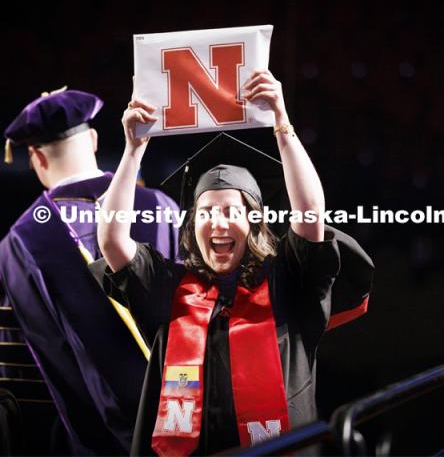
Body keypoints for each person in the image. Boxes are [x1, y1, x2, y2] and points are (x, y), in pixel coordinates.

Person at [93, 70, 374, 456]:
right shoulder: (171, 288)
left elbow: (310, 215)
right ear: (192, 225)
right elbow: (111, 239)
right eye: (206, 212)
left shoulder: (289, 282)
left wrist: (282, 123)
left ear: (253, 221)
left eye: (231, 211)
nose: (218, 222)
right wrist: (133, 149)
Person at [0, 88, 179, 455]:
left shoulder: (19, 242)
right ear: (94, 140)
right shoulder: (162, 207)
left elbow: (25, 369)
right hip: (183, 420)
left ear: (35, 156)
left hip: (88, 445)